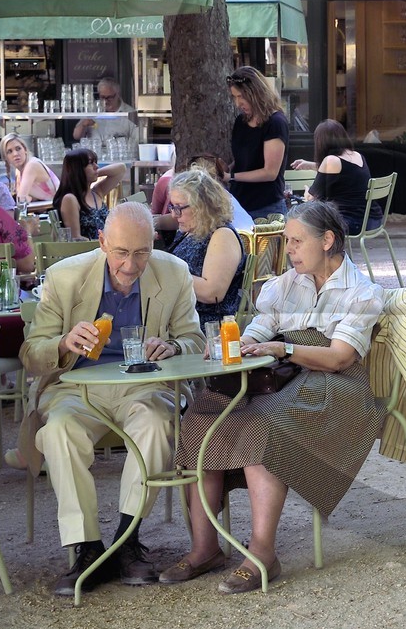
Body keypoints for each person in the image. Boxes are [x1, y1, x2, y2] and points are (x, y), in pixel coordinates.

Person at [164, 202, 383, 592]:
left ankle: (263, 551)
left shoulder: (362, 292)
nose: (290, 250)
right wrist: (240, 345)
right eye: (288, 241)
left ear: (328, 240)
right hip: (280, 375)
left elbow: (338, 357)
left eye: (297, 242)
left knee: (262, 423)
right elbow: (260, 331)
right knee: (200, 416)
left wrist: (283, 350)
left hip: (336, 385)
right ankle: (205, 547)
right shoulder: (285, 285)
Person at [18, 201, 202, 595]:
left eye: (141, 253)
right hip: (77, 387)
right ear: (102, 242)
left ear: (153, 243)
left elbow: (195, 340)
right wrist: (65, 342)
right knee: (60, 431)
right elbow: (32, 353)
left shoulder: (174, 273)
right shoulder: (65, 277)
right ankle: (86, 547)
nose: (130, 266)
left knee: (156, 423)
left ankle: (126, 538)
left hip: (146, 385)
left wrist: (172, 346)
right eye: (120, 252)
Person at [166, 168, 246, 322]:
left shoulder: (222, 235)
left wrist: (164, 271)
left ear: (201, 206)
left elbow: (212, 293)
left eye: (179, 207)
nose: (174, 214)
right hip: (183, 320)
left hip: (208, 327)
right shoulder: (191, 230)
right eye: (172, 206)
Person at [226, 67, 290, 220]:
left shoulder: (275, 122)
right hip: (238, 204)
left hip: (266, 207)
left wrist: (231, 176)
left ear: (255, 93)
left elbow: (270, 172)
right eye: (234, 97)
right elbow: (245, 159)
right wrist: (224, 169)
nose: (237, 103)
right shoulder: (240, 122)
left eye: (241, 96)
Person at [292, 119, 371, 233]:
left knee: (304, 221)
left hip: (351, 222)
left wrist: (306, 191)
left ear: (321, 141)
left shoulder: (331, 161)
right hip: (371, 219)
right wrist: (310, 165)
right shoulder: (357, 155)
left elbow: (311, 198)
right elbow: (344, 171)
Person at [54, 147, 127, 241]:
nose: (96, 166)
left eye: (95, 162)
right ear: (78, 169)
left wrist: (95, 173)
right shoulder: (70, 199)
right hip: (90, 252)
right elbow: (76, 239)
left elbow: (121, 168)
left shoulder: (96, 192)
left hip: (106, 249)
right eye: (91, 163)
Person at [1, 132, 58, 206]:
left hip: (57, 210)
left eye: (18, 149)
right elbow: (24, 199)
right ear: (6, 157)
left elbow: (21, 200)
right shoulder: (19, 170)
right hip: (47, 210)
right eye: (9, 151)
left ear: (25, 150)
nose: (15, 154)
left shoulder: (32, 165)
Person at [92, 76, 141, 145]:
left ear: (118, 94)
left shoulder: (130, 114)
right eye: (102, 97)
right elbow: (76, 135)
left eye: (109, 97)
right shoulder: (92, 111)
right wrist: (82, 125)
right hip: (93, 154)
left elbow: (136, 143)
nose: (105, 101)